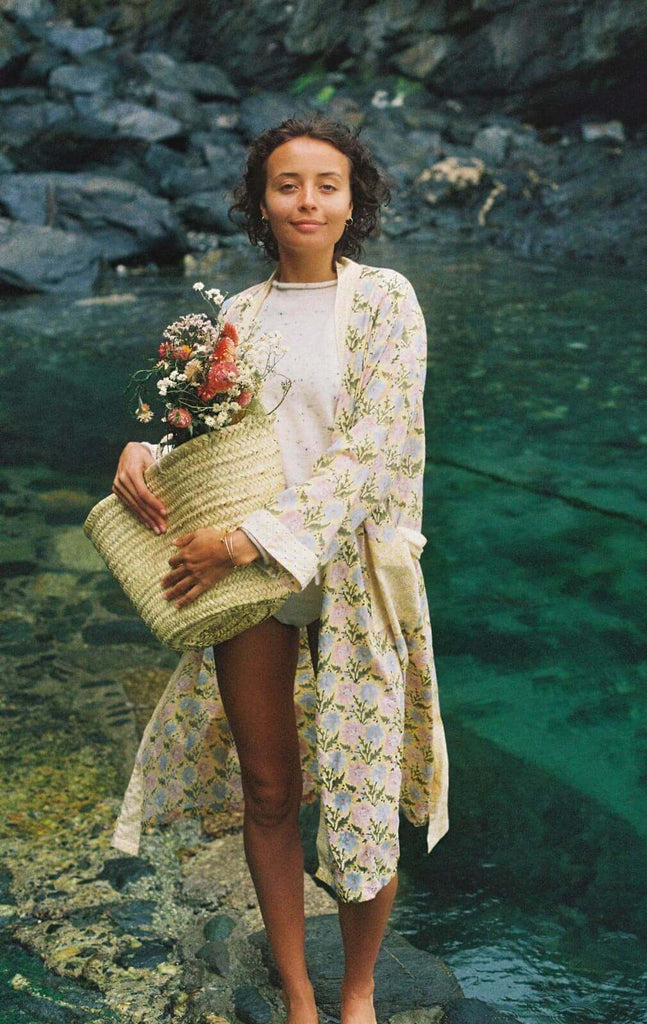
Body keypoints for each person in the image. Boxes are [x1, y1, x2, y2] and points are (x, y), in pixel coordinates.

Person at [110, 115, 449, 1024]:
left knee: (365, 796)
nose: (307, 200)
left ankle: (360, 989)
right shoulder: (239, 315)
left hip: (355, 574)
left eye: (326, 185)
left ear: (353, 201)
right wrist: (143, 448)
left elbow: (370, 451)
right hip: (249, 580)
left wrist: (246, 538)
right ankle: (299, 992)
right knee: (269, 789)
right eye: (288, 184)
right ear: (261, 201)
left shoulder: (387, 301)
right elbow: (207, 431)